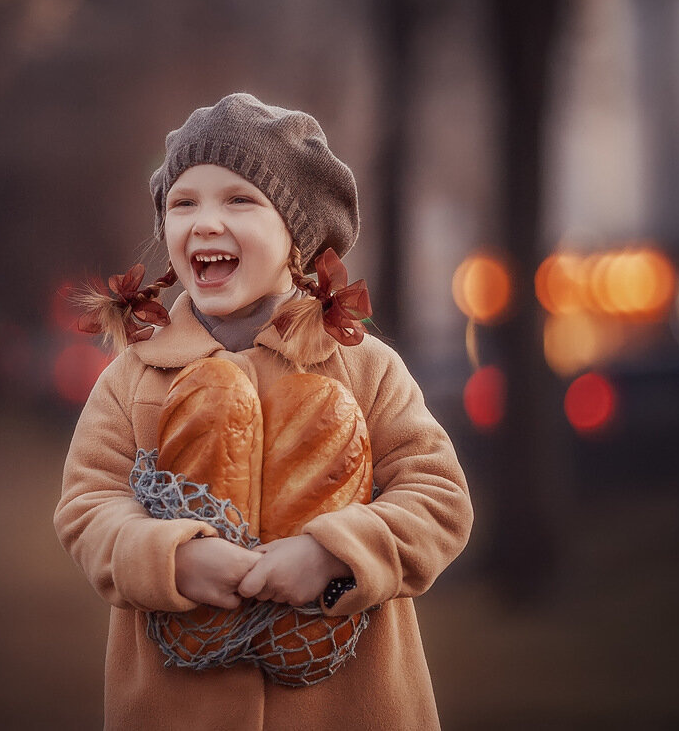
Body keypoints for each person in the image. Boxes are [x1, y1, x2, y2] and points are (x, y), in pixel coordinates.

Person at [54, 92, 473, 730]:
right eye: (183, 202)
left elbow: (438, 496)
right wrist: (171, 558)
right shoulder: (133, 378)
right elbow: (89, 507)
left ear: (296, 238)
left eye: (239, 200)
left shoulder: (363, 367)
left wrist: (336, 555)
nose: (204, 222)